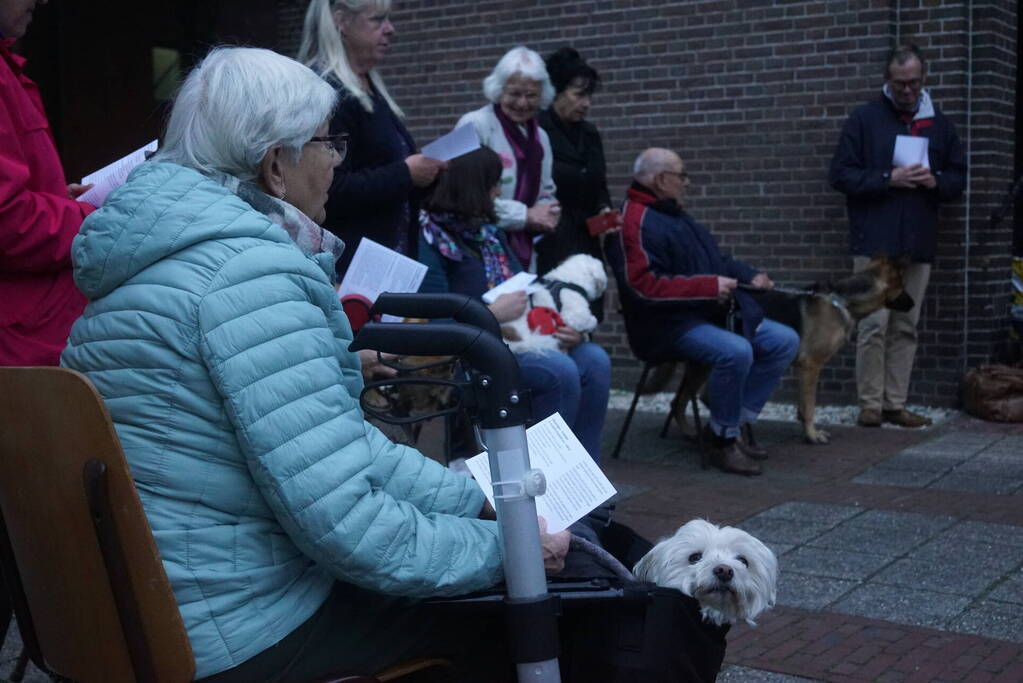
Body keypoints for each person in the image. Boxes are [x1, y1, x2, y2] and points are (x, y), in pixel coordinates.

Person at [61, 47, 569, 682]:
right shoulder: (250, 279)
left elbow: (333, 446)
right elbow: (346, 524)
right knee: (529, 620)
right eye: (330, 143)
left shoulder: (143, 266)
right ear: (276, 165)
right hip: (235, 629)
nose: (336, 161)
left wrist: (473, 500)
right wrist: (512, 552)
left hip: (147, 612)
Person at [605, 148, 799, 476]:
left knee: (785, 341)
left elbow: (716, 262)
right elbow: (643, 287)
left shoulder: (674, 214)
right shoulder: (633, 221)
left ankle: (727, 426)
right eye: (682, 176)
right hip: (665, 325)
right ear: (661, 179)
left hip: (705, 316)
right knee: (736, 351)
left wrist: (748, 275)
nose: (687, 183)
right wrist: (708, 287)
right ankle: (723, 444)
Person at [418, 147, 611, 462]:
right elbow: (432, 324)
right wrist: (490, 314)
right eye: (493, 183)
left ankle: (583, 475)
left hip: (521, 338)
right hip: (473, 354)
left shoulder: (492, 236)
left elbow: (528, 290)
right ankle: (545, 478)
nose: (498, 192)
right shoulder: (428, 240)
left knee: (594, 359)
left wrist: (571, 329)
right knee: (558, 370)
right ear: (471, 185)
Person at [829, 44, 966, 429]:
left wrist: (934, 181)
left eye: (914, 82)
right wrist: (890, 179)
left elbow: (959, 177)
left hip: (917, 241)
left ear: (924, 78)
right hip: (876, 241)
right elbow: (840, 175)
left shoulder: (939, 123)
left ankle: (895, 403)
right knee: (873, 324)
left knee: (906, 324)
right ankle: (870, 405)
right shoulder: (865, 119)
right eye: (900, 83)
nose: (907, 91)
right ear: (887, 80)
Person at [299, 0, 444, 275]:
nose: (390, 29)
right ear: (341, 22)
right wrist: (406, 174)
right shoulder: (327, 92)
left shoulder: (368, 87)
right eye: (378, 20)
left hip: (384, 261)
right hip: (351, 270)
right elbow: (328, 188)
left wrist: (426, 174)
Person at [1, 0, 95, 367]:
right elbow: (8, 220)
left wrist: (59, 200)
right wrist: (91, 217)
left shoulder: (8, 68)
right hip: (22, 349)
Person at [456, 46, 561, 271]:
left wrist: (547, 212)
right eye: (514, 93)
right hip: (476, 249)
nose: (522, 103)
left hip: (522, 252)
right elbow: (462, 194)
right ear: (498, 89)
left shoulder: (541, 137)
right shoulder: (475, 124)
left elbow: (546, 190)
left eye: (531, 95)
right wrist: (524, 215)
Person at [536, 47, 619, 282]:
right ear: (556, 93)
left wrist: (603, 208)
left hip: (587, 240)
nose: (587, 104)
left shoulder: (590, 134)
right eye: (579, 95)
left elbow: (599, 183)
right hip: (550, 241)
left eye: (589, 96)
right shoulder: (538, 132)